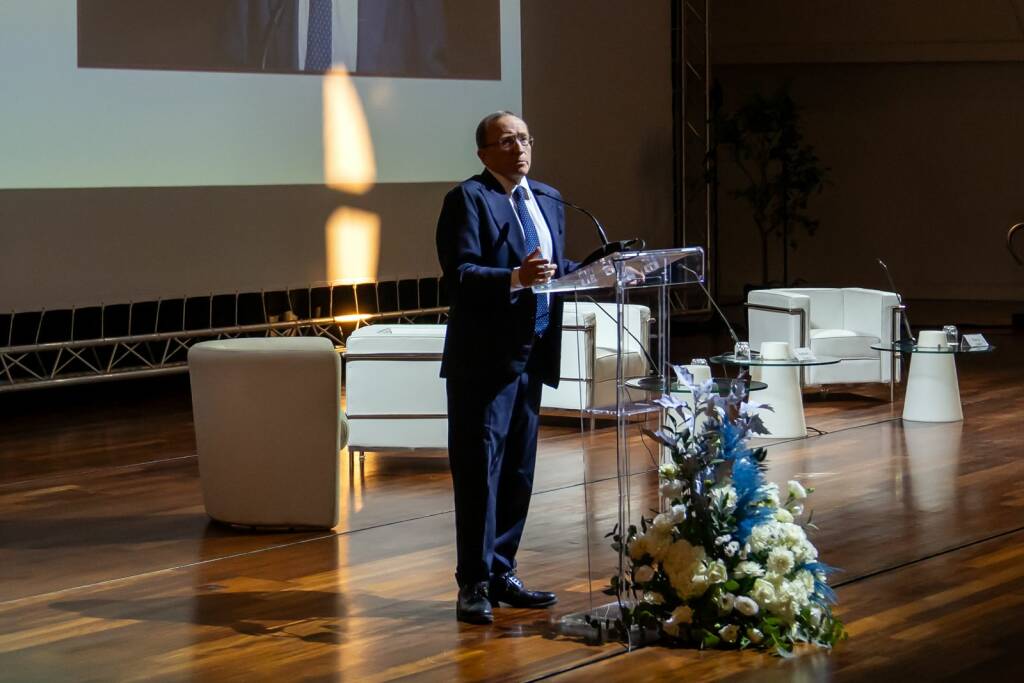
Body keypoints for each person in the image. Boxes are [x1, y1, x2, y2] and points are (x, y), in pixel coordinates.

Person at [435, 111, 580, 624]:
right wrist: (515, 276)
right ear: (484, 153)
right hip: (484, 361)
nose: (519, 149)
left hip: (533, 352)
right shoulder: (468, 199)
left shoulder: (547, 197)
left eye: (524, 139)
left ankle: (502, 571)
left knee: (518, 470)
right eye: (506, 141)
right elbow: (461, 275)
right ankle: (472, 583)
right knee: (480, 472)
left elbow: (558, 270)